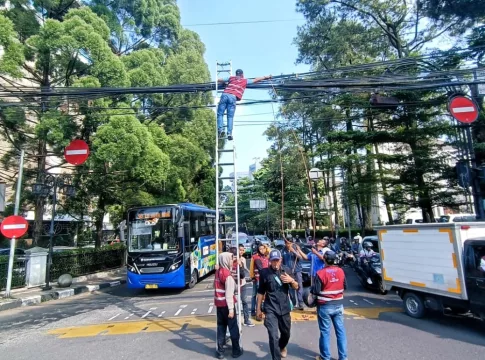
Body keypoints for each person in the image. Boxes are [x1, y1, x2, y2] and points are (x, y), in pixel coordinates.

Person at [257, 249, 299, 360]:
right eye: (273, 261)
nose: (275, 263)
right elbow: (261, 292)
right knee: (273, 336)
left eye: (277, 260)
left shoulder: (287, 270)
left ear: (280, 260)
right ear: (270, 261)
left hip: (284, 308)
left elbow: (296, 287)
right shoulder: (264, 273)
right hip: (270, 308)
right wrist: (258, 310)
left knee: (286, 334)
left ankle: (282, 346)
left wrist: (291, 280)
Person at [312, 251, 348, 360]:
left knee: (325, 333)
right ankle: (343, 358)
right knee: (341, 332)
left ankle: (325, 357)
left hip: (325, 307)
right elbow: (345, 286)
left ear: (324, 259)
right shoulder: (341, 271)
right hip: (339, 305)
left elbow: (316, 291)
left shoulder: (320, 273)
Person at [217, 69, 271, 140]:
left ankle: (220, 130)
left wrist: (225, 84)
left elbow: (219, 80)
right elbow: (255, 80)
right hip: (233, 97)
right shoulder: (244, 80)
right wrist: (266, 77)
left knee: (220, 114)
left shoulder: (231, 78)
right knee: (230, 117)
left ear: (236, 74)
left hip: (225, 95)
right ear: (242, 75)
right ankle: (229, 133)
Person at [214, 252, 243, 359]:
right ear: (225, 260)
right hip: (227, 306)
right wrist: (231, 309)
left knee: (221, 328)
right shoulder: (227, 275)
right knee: (233, 328)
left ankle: (220, 351)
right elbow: (229, 294)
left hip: (219, 305)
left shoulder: (218, 272)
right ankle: (236, 351)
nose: (232, 261)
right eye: (230, 259)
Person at [234, 244, 254, 327]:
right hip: (235, 284)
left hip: (243, 283)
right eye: (240, 250)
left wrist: (250, 273)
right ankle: (234, 320)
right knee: (234, 303)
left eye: (242, 250)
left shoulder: (243, 259)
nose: (241, 251)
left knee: (244, 301)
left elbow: (245, 269)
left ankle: (246, 319)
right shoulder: (233, 259)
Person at [281, 239, 304, 310]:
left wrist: (293, 251)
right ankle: (293, 303)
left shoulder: (296, 248)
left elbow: (301, 257)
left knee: (299, 287)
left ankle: (301, 303)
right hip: (289, 271)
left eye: (290, 243)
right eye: (287, 243)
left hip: (297, 270)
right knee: (291, 288)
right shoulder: (283, 250)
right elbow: (282, 261)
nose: (289, 245)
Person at [250, 243, 269, 317]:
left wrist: (266, 247)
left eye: (263, 249)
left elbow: (269, 251)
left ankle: (256, 310)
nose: (262, 250)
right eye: (260, 249)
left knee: (256, 294)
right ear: (258, 249)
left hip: (263, 278)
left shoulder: (266, 257)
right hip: (258, 278)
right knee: (258, 295)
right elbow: (260, 267)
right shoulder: (256, 257)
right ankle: (256, 310)